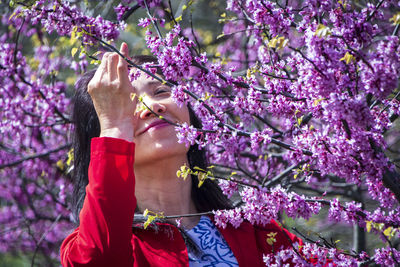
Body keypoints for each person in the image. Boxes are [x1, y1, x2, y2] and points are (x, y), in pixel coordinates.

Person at [60, 43, 303, 267]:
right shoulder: (101, 249)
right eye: (127, 102)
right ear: (100, 140)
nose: (152, 107)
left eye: (161, 90)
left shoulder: (256, 233)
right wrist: (114, 128)